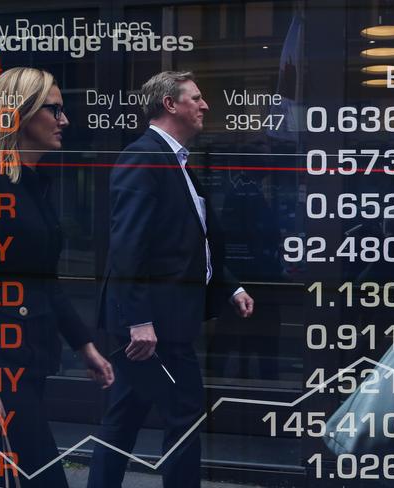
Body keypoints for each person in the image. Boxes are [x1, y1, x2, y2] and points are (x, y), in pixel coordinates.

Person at [0, 67, 114, 487]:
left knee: (1, 475)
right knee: (41, 476)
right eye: (53, 109)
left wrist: (84, 344)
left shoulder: (29, 184)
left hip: (29, 356)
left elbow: (43, 279)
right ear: (17, 115)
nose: (64, 120)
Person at [88, 71, 254, 488]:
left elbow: (190, 242)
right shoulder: (143, 157)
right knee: (184, 411)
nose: (205, 106)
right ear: (170, 104)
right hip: (154, 328)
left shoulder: (174, 161)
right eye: (195, 98)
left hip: (161, 324)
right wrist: (138, 321)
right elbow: (128, 247)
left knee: (123, 418)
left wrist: (229, 285)